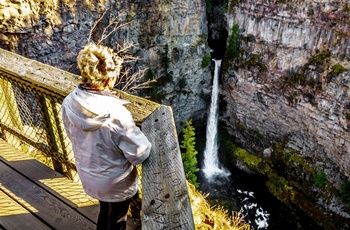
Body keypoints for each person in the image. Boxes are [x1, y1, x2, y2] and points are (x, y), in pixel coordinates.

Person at [61, 43, 151, 230]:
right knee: (118, 218)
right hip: (115, 182)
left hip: (88, 173)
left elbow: (72, 135)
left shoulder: (69, 102)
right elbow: (140, 154)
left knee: (105, 209)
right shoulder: (116, 114)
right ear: (108, 80)